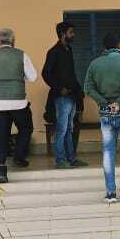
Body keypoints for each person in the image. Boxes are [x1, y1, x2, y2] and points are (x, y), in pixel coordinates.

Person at [84, 32, 120, 203]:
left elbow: (88, 88)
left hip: (106, 114)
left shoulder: (95, 64)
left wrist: (105, 103)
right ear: (119, 45)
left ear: (104, 47)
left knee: (108, 152)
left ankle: (110, 193)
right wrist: (119, 103)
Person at [0, 27, 37, 184]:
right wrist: (20, 76)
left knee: (0, 136)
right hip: (19, 102)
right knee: (26, 128)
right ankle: (18, 157)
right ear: (13, 40)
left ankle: (1, 172)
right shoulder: (21, 55)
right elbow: (33, 77)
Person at [42, 21, 88, 169]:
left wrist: (78, 92)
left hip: (72, 96)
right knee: (62, 130)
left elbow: (71, 75)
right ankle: (60, 161)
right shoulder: (54, 52)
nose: (73, 35)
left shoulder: (68, 50)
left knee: (69, 129)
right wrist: (59, 88)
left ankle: (71, 159)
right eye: (71, 32)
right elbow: (46, 73)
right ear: (63, 34)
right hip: (62, 97)